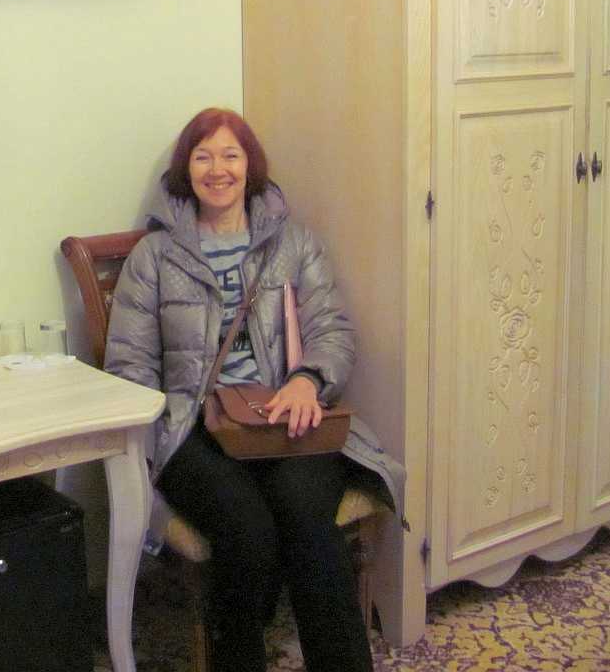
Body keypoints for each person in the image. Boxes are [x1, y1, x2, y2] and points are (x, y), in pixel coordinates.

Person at [104, 107, 403, 672]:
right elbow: (129, 365)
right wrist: (162, 427)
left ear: (251, 166)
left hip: (285, 415)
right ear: (186, 169)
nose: (217, 169)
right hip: (192, 429)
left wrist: (307, 380)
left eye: (230, 155)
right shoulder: (155, 257)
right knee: (247, 530)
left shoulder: (294, 244)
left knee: (309, 521)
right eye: (203, 156)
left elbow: (332, 330)